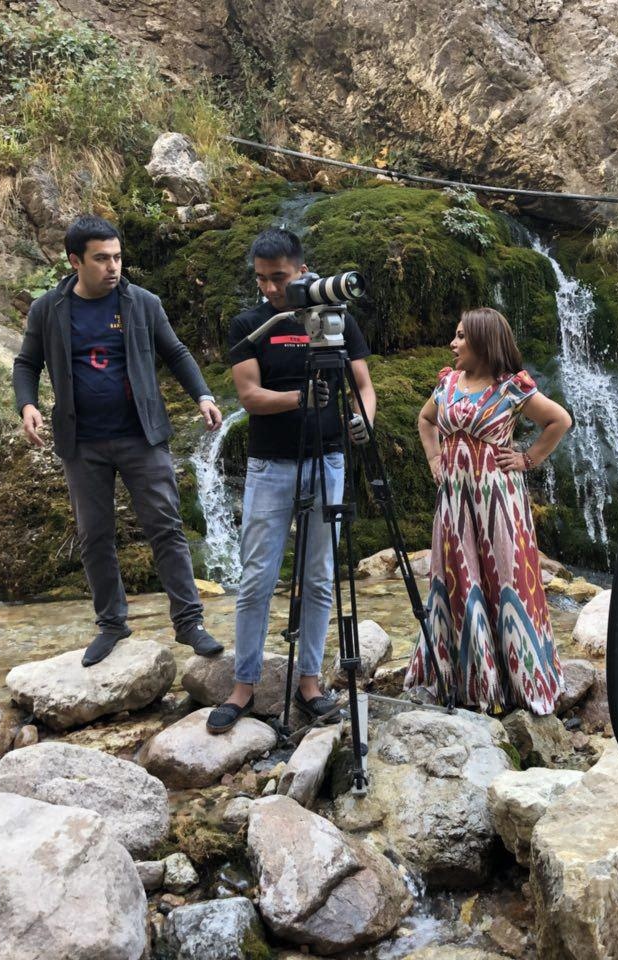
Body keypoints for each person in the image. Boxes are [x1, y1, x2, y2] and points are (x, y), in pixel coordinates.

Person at [12, 215, 225, 667]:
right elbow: (26, 363)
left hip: (142, 436)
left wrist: (204, 395)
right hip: (82, 442)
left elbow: (176, 352)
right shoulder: (48, 309)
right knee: (94, 536)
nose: (113, 266)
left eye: (117, 257)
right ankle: (111, 624)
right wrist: (27, 405)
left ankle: (189, 623)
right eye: (102, 259)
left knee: (166, 528)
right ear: (75, 261)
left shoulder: (142, 303)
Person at [208, 228, 376, 734]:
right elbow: (250, 397)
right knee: (257, 578)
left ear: (303, 271)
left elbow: (363, 386)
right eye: (261, 278)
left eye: (278, 277)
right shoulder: (250, 324)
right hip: (270, 466)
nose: (269, 288)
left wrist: (363, 421)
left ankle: (309, 683)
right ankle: (243, 686)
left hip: (328, 460)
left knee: (320, 576)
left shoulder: (337, 321)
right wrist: (299, 399)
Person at [405, 307, 571, 714]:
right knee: (455, 578)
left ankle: (516, 682)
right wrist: (433, 459)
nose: (453, 343)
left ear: (483, 341)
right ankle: (461, 680)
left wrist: (528, 458)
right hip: (454, 501)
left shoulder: (510, 388)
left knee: (506, 580)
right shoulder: (447, 383)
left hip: (497, 501)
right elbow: (425, 420)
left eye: (461, 336)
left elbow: (559, 421)